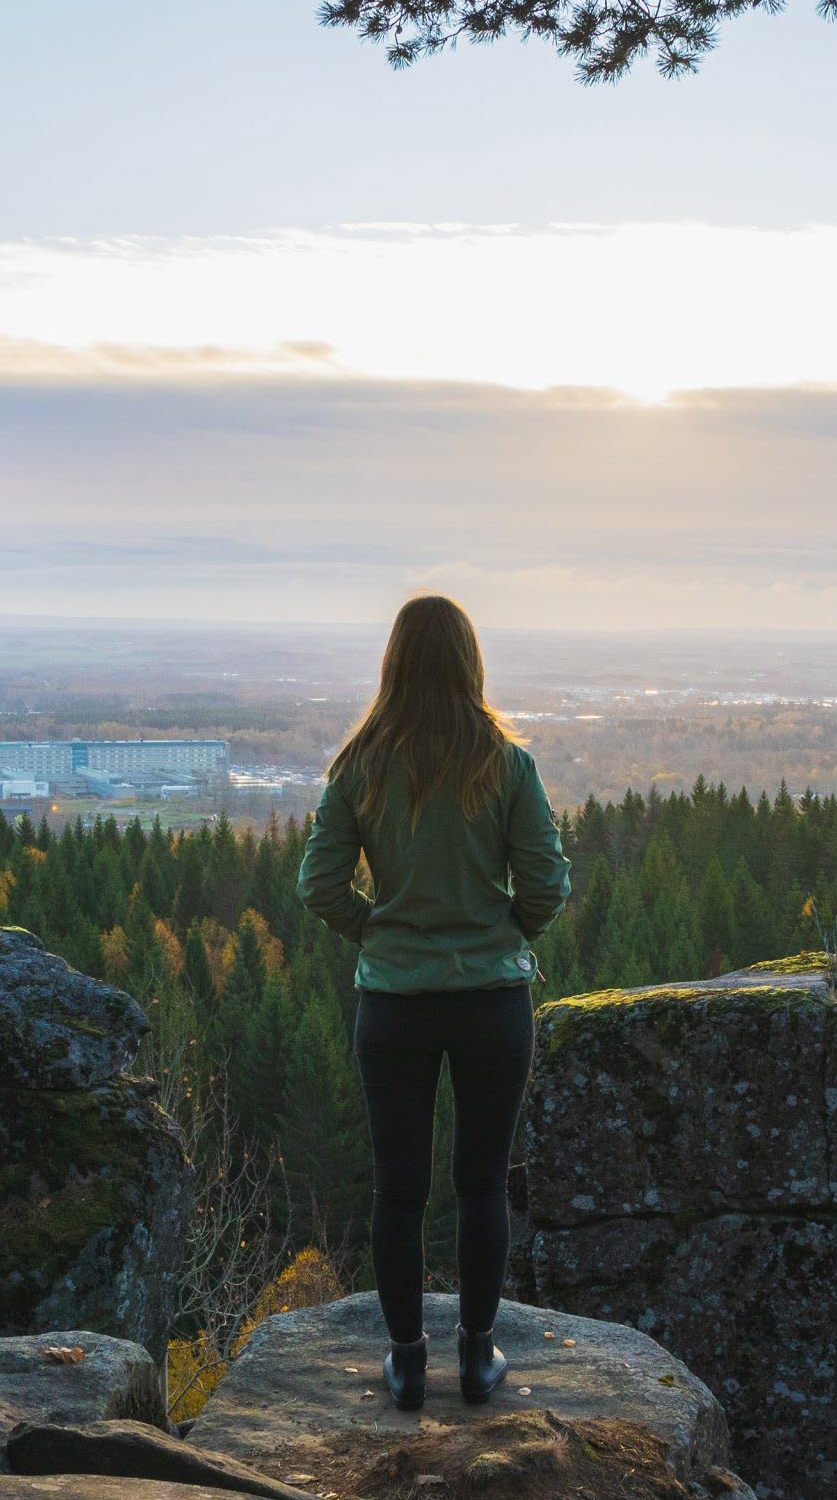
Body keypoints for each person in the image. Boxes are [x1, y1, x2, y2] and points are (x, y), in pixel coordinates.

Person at [297, 594, 572, 1411]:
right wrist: (502, 933)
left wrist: (376, 931)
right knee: (482, 1185)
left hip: (395, 1006)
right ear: (469, 660)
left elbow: (317, 885)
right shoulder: (506, 763)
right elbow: (549, 885)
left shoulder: (361, 762)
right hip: (493, 1004)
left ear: (393, 661)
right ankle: (478, 1359)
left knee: (399, 1189)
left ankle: (409, 1361)